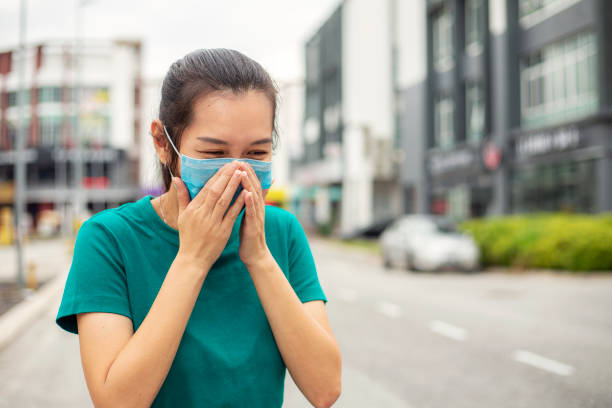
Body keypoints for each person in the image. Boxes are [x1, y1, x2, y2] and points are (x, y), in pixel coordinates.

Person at [56, 48, 342, 408]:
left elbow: (325, 388)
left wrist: (260, 259)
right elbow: (117, 401)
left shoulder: (282, 231)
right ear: (163, 143)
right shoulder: (108, 239)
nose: (237, 171)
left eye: (256, 154)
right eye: (213, 153)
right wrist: (192, 259)